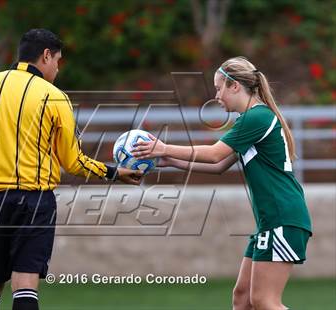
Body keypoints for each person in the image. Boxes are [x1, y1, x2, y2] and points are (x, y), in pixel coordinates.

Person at [0, 28, 142, 310]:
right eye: (57, 61)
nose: (57, 68)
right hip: (34, 201)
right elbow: (73, 161)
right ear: (46, 55)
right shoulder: (54, 97)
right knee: (25, 285)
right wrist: (114, 172)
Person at [131, 56, 312, 310]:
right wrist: (168, 159)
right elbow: (218, 166)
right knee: (242, 298)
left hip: (283, 217)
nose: (217, 96)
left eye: (219, 88)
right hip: (271, 219)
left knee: (264, 301)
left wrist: (163, 147)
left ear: (234, 86)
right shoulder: (250, 119)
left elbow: (215, 152)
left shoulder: (256, 117)